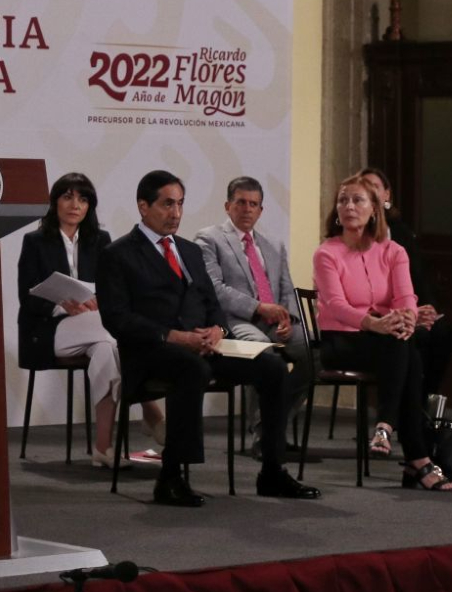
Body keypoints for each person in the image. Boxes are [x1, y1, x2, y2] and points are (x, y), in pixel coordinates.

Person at [96, 170, 321, 506]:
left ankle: (272, 471)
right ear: (143, 206)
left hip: (204, 345)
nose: (175, 213)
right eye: (167, 204)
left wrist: (217, 330)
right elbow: (117, 319)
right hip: (152, 350)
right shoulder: (118, 254)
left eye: (180, 204)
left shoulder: (188, 251)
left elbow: (211, 302)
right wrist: (174, 336)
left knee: (271, 367)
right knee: (192, 370)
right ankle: (171, 476)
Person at [312, 173, 452, 492]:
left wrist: (406, 318)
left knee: (404, 345)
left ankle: (388, 431)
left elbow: (406, 298)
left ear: (375, 209)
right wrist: (376, 323)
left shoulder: (394, 251)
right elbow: (335, 305)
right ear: (336, 210)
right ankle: (414, 455)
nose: (349, 206)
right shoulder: (327, 253)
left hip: (383, 340)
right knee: (405, 352)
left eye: (357, 200)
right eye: (343, 200)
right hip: (341, 340)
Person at [17, 173, 165, 467]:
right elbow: (27, 296)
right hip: (47, 331)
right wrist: (63, 306)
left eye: (83, 199)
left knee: (106, 349)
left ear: (90, 206)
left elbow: (115, 288)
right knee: (113, 329)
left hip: (96, 328)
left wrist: (101, 300)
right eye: (68, 197)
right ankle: (152, 410)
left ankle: (102, 449)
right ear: (55, 202)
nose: (75, 205)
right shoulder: (35, 241)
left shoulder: (101, 241)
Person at [194, 176, 312, 458]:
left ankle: (270, 422)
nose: (247, 209)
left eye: (254, 204)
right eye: (241, 203)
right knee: (265, 352)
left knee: (316, 351)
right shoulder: (209, 239)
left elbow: (286, 288)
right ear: (227, 205)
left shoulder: (274, 244)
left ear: (261, 210)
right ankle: (268, 435)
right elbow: (215, 290)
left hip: (276, 321)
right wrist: (259, 308)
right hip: (236, 321)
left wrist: (289, 319)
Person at [358, 167, 452, 395]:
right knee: (410, 336)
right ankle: (408, 408)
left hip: (406, 308)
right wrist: (407, 313)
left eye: (375, 188)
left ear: (387, 195)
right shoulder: (355, 234)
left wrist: (426, 310)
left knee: (442, 331)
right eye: (364, 189)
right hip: (373, 315)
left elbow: (416, 277)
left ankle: (426, 400)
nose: (370, 194)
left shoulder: (401, 232)